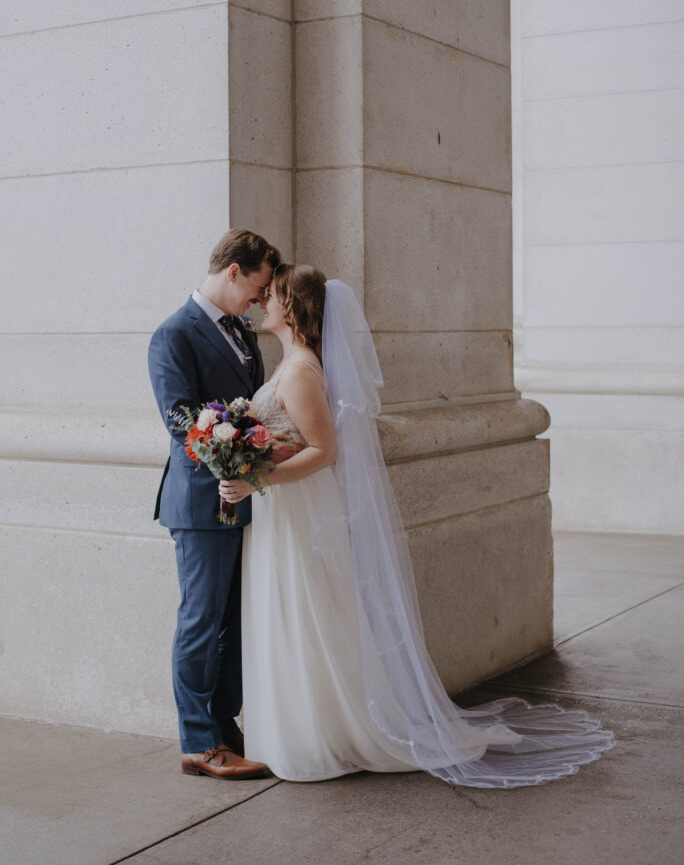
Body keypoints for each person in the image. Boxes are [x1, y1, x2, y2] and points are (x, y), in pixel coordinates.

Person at [220, 265, 617, 788]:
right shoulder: (294, 364)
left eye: (272, 294)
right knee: (296, 613)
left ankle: (322, 736)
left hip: (297, 509)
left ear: (292, 307)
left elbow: (326, 450)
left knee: (305, 612)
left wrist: (257, 475)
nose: (262, 300)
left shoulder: (299, 371)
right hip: (285, 507)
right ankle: (294, 731)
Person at [148, 228, 280, 780]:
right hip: (202, 502)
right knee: (201, 621)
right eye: (259, 284)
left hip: (243, 497)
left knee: (233, 623)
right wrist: (228, 450)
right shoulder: (172, 334)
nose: (262, 297)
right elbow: (179, 418)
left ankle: (226, 728)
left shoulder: (244, 333)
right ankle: (197, 743)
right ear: (233, 271)